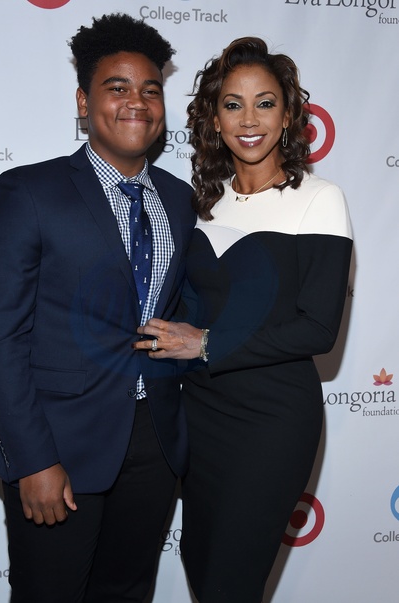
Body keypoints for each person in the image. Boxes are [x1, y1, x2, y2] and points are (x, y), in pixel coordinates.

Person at [0, 13, 195, 603]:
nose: (136, 102)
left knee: (127, 593)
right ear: (83, 100)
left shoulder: (180, 200)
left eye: (150, 90)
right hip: (58, 446)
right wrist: (32, 460)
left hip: (155, 444)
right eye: (117, 87)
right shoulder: (29, 191)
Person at [134, 37, 353, 602]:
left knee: (231, 579)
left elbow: (317, 328)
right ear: (214, 119)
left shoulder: (319, 199)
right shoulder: (202, 205)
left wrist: (206, 343)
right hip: (200, 414)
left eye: (265, 103)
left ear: (288, 115)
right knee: (203, 566)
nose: (249, 119)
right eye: (233, 104)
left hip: (272, 419)